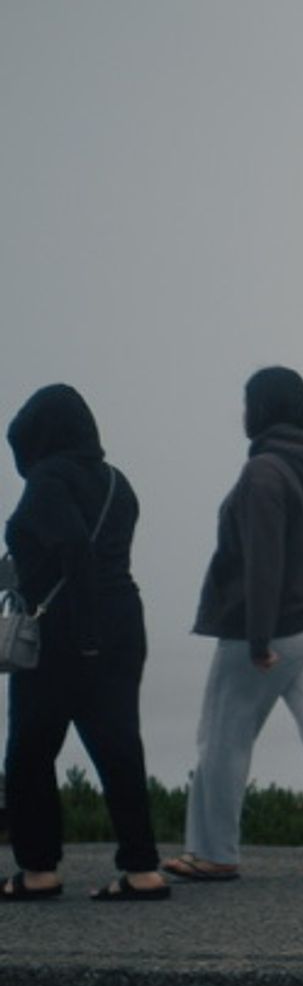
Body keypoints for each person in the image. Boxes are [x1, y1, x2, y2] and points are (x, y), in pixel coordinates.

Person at [164, 368, 303, 883]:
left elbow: (265, 563)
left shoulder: (264, 471)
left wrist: (258, 638)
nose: (242, 413)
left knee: (222, 735)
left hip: (271, 628)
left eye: (246, 403)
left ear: (261, 409)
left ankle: (214, 853)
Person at [3, 385, 168, 900]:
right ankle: (143, 870)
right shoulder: (118, 483)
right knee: (119, 746)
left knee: (30, 751)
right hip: (123, 624)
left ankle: (38, 870)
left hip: (64, 633)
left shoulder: (49, 478)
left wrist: (84, 633)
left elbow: (72, 547)